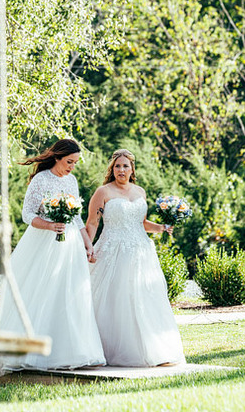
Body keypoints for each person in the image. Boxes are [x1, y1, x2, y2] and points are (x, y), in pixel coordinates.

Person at [0, 139, 105, 376]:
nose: (72, 167)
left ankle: (73, 352)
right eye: (69, 162)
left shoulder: (72, 181)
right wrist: (49, 225)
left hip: (70, 246)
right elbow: (27, 214)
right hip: (44, 243)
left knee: (70, 294)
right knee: (41, 292)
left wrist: (88, 244)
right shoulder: (41, 179)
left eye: (75, 163)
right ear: (57, 157)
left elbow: (77, 218)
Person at [86, 149, 185, 367]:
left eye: (125, 166)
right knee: (115, 299)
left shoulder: (140, 192)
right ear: (112, 169)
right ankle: (109, 350)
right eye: (117, 166)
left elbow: (141, 223)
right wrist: (88, 248)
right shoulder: (103, 192)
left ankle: (152, 350)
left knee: (143, 297)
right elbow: (92, 223)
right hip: (113, 251)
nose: (121, 170)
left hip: (141, 251)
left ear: (132, 169)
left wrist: (162, 227)